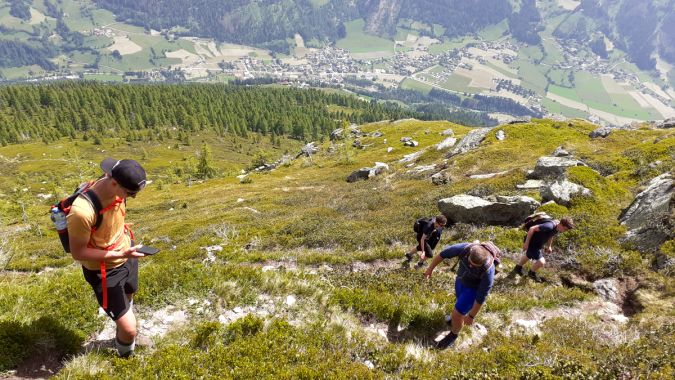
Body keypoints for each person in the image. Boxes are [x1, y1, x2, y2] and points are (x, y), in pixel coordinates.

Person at [67, 158, 147, 357]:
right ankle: (126, 359)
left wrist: (124, 252)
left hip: (127, 255)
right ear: (113, 182)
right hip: (104, 271)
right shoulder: (82, 212)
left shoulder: (116, 186)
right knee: (130, 329)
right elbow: (78, 252)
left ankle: (121, 334)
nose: (133, 197)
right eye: (131, 193)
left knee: (129, 296)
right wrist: (119, 254)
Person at [424, 242, 499, 349]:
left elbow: (481, 296)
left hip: (473, 289)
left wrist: (472, 316)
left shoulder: (488, 271)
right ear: (469, 254)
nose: (470, 266)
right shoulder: (465, 248)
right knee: (459, 303)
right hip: (460, 281)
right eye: (470, 262)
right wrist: (430, 269)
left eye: (474, 266)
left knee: (457, 314)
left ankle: (453, 335)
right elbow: (442, 254)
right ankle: (458, 319)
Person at [513, 217, 574, 282]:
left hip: (537, 244)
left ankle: (518, 268)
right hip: (531, 243)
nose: (564, 231)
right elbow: (532, 228)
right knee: (541, 262)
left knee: (529, 255)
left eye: (566, 230)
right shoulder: (549, 226)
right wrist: (526, 243)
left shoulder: (557, 228)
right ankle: (531, 273)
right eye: (565, 229)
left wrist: (549, 246)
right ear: (561, 224)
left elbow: (551, 235)